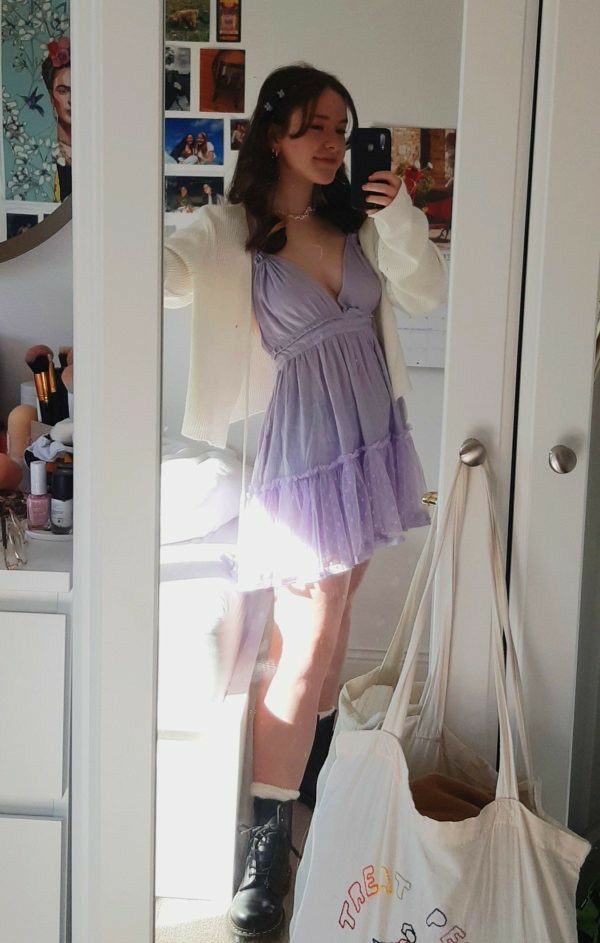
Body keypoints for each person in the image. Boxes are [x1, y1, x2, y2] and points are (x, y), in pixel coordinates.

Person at [163, 63, 447, 940]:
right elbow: (161, 273)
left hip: (372, 441)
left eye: (340, 128)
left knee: (335, 627)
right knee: (307, 640)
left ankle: (307, 787)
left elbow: (427, 292)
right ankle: (263, 840)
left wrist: (400, 214)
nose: (330, 142)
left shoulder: (355, 224)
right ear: (272, 132)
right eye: (312, 125)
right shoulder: (229, 230)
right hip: (304, 456)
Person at [41, 37, 71, 201]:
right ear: (52, 98)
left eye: (77, 90)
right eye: (63, 91)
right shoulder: (43, 154)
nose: (71, 100)